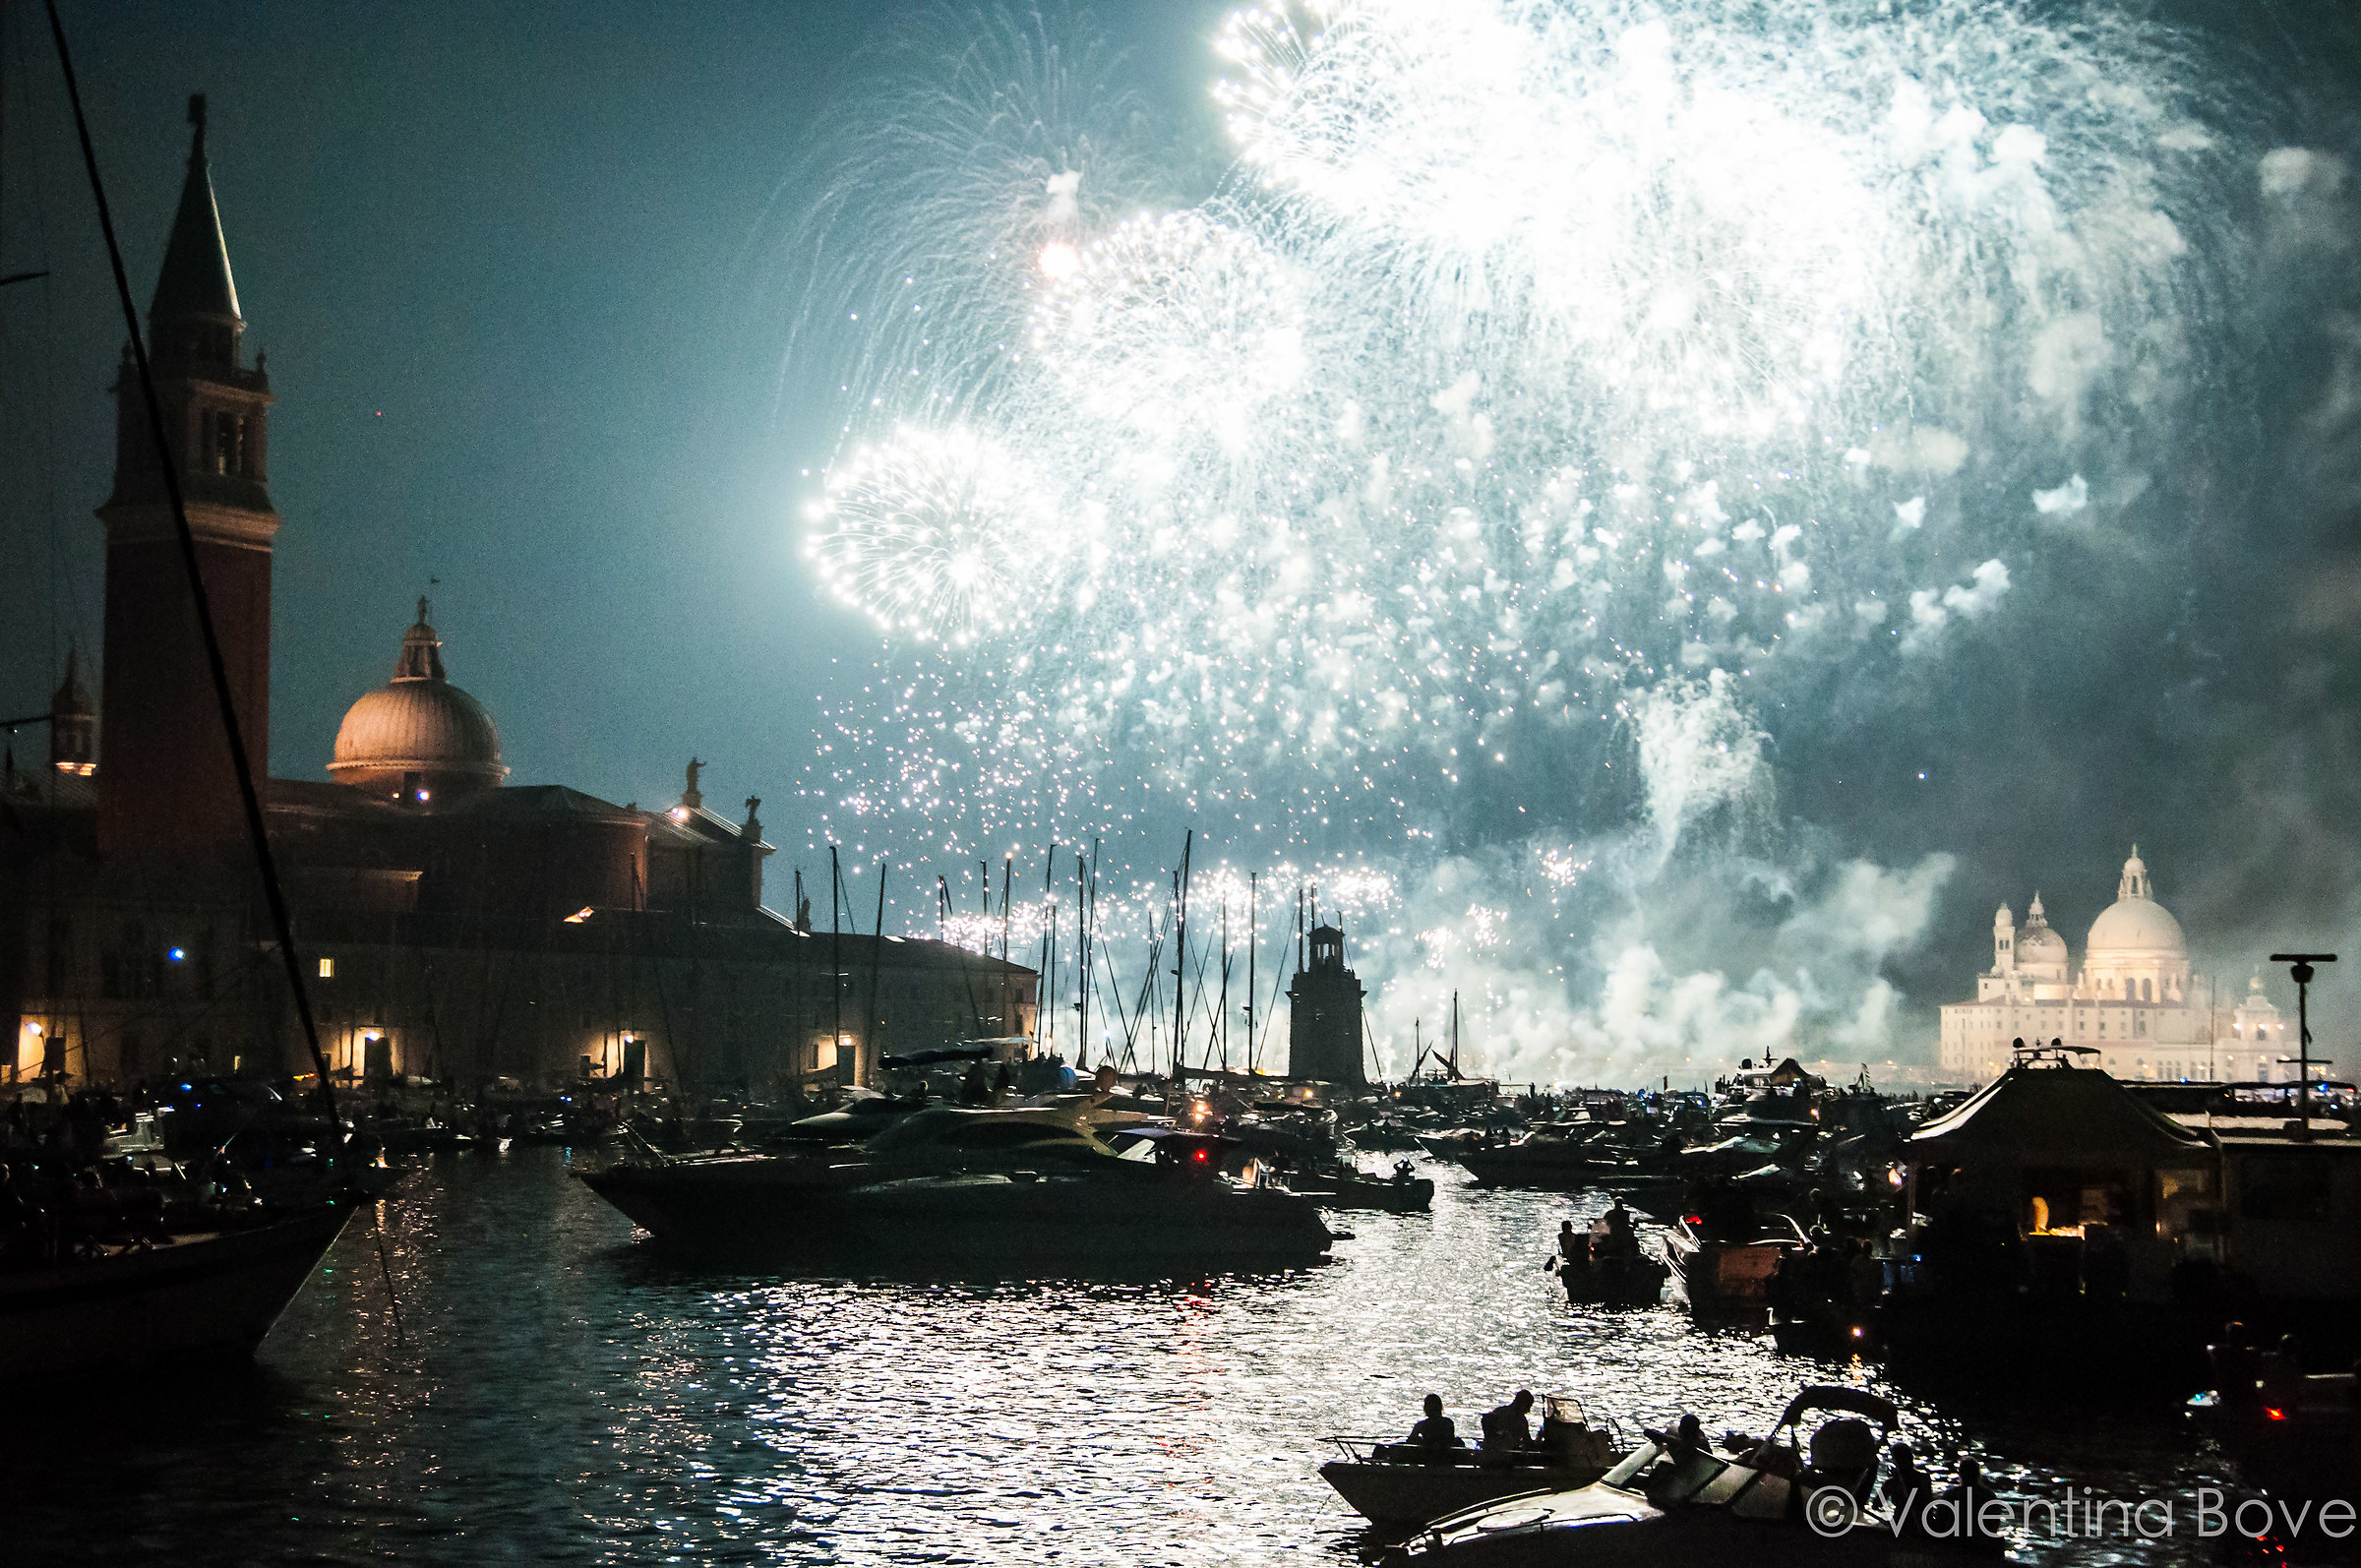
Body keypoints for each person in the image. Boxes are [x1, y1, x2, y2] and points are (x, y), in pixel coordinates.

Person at [1883, 1440, 1930, 1531]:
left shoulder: (1893, 1482)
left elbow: (1877, 1504)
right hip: (1923, 1524)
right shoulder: (1925, 1478)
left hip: (1901, 1524)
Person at [1481, 1390, 1537, 1454]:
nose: (1528, 1410)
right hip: (1500, 1451)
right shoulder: (1501, 1414)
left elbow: (1527, 1441)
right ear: (1522, 1404)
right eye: (1528, 1406)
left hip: (1508, 1451)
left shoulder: (1522, 1420)